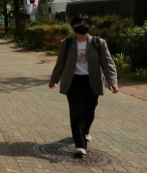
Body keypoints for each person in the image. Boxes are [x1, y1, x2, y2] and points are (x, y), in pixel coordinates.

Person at [48, 14, 118, 157]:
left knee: (89, 111)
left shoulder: (99, 43)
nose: (82, 26)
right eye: (79, 24)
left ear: (90, 26)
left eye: (85, 23)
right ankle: (80, 145)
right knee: (76, 112)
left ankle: (85, 130)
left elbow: (107, 62)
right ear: (73, 27)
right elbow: (60, 63)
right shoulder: (66, 43)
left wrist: (112, 81)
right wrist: (54, 79)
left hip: (92, 81)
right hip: (73, 81)